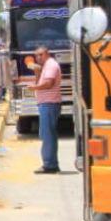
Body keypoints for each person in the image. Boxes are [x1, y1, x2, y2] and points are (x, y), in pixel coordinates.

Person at [33, 45, 63, 174]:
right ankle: (51, 163)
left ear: (47, 53)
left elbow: (48, 84)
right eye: (36, 55)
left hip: (49, 104)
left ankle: (49, 165)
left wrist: (34, 88)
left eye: (41, 54)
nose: (38, 58)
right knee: (47, 134)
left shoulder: (51, 65)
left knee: (48, 135)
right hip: (45, 104)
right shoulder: (45, 66)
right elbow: (40, 82)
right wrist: (37, 73)